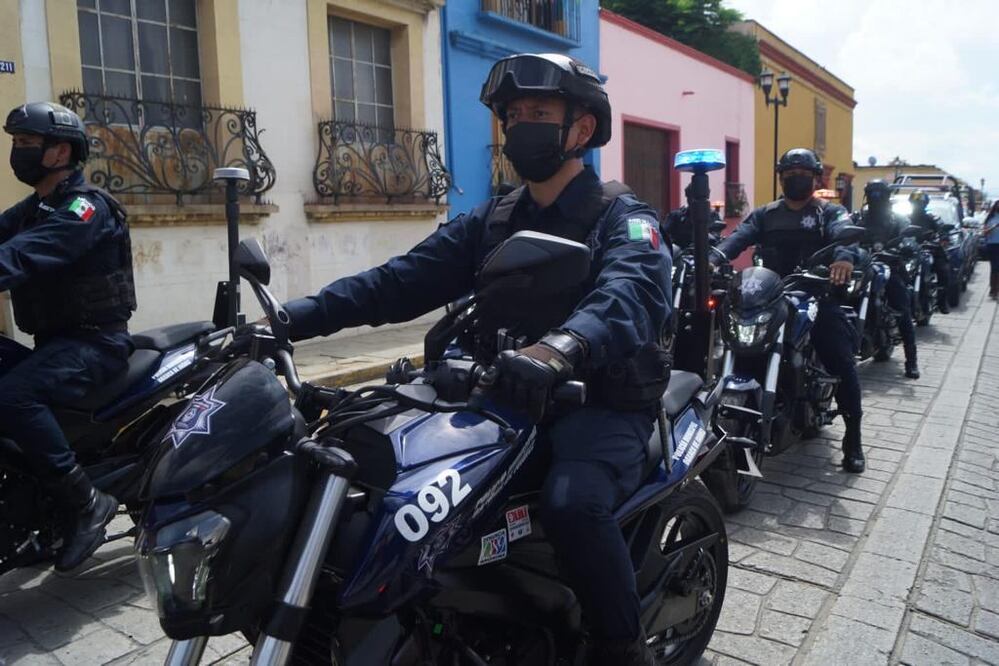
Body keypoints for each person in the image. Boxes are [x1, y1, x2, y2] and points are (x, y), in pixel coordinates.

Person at [282, 54, 670, 665]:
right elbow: (398, 281)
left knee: (574, 504)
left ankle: (621, 646)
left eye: (538, 114)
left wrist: (561, 347)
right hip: (503, 399)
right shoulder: (493, 219)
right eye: (512, 116)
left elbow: (633, 291)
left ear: (583, 130)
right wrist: (290, 319)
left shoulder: (622, 216)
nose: (520, 127)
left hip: (597, 403)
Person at [0, 102, 136, 570]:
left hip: (96, 345)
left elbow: (25, 254)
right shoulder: (34, 207)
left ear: (60, 152)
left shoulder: (85, 208)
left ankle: (86, 501)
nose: (16, 152)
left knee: (12, 397)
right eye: (14, 143)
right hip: (54, 347)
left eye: (25, 144)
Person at [713, 148, 866, 473]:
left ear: (814, 178)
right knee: (735, 343)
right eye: (789, 172)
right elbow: (739, 237)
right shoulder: (766, 214)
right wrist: (713, 257)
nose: (796, 177)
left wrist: (843, 258)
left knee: (840, 356)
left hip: (815, 295)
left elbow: (845, 236)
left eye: (803, 172)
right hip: (769, 294)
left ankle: (853, 437)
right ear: (781, 177)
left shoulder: (829, 212)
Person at [857, 179, 920, 378]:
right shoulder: (858, 218)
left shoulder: (897, 219)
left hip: (891, 268)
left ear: (887, 195)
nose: (876, 198)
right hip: (863, 268)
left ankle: (911, 361)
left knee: (902, 309)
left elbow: (909, 236)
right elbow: (843, 235)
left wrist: (907, 245)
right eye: (872, 193)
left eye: (880, 193)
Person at [908, 189, 951, 314]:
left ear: (925, 204)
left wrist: (943, 237)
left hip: (930, 250)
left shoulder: (932, 218)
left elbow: (942, 229)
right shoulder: (905, 219)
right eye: (915, 203)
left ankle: (942, 302)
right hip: (910, 251)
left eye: (920, 203)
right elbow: (897, 231)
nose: (918, 206)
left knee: (944, 271)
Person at [984, 200, 999, 299]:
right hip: (992, 245)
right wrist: (994, 227)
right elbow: (985, 232)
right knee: (994, 268)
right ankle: (993, 290)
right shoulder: (990, 218)